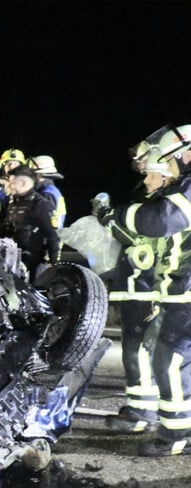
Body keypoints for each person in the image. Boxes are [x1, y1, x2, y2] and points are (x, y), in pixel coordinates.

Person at [109, 124, 191, 456]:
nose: (155, 175)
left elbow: (159, 221)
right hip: (179, 292)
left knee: (168, 360)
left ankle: (175, 435)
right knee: (177, 362)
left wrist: (116, 216)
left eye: (165, 165)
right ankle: (180, 430)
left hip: (186, 293)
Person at [98, 150, 174, 433]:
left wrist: (112, 221)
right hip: (137, 288)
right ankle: (141, 407)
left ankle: (145, 411)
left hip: (145, 290)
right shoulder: (156, 204)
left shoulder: (162, 208)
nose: (145, 178)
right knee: (137, 352)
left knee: (141, 352)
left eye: (150, 173)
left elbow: (144, 244)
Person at [0, 164, 59, 277]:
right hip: (14, 260)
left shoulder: (41, 205)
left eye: (12, 183)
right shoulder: (14, 204)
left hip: (35, 263)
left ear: (23, 183)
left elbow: (53, 236)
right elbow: (6, 229)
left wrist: (53, 265)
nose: (9, 187)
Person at [28, 155, 67, 229]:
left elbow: (46, 220)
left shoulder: (47, 193)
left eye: (32, 173)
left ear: (39, 174)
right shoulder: (51, 190)